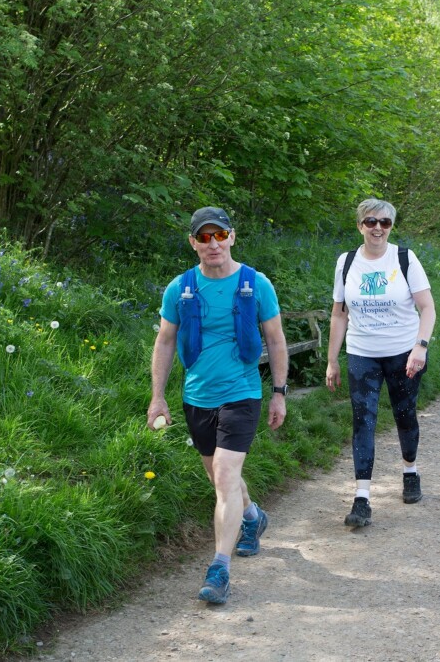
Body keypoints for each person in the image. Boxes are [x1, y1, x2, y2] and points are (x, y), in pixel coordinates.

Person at [148, 206, 289, 605]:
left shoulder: (255, 284)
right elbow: (165, 341)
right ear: (193, 242)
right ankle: (252, 517)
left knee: (226, 475)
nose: (213, 244)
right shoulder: (180, 288)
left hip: (242, 393)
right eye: (204, 237)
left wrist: (279, 391)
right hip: (197, 398)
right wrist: (157, 398)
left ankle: (219, 569)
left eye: (219, 235)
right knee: (219, 478)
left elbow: (276, 340)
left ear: (232, 237)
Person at [326, 198, 436, 527]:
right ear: (360, 225)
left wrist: (421, 347)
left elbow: (427, 308)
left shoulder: (404, 258)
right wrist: (333, 359)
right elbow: (338, 313)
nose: (378, 228)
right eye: (371, 222)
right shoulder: (346, 262)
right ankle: (362, 498)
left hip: (404, 352)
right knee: (363, 421)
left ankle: (410, 470)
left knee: (405, 414)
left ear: (391, 227)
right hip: (362, 353)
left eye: (385, 222)